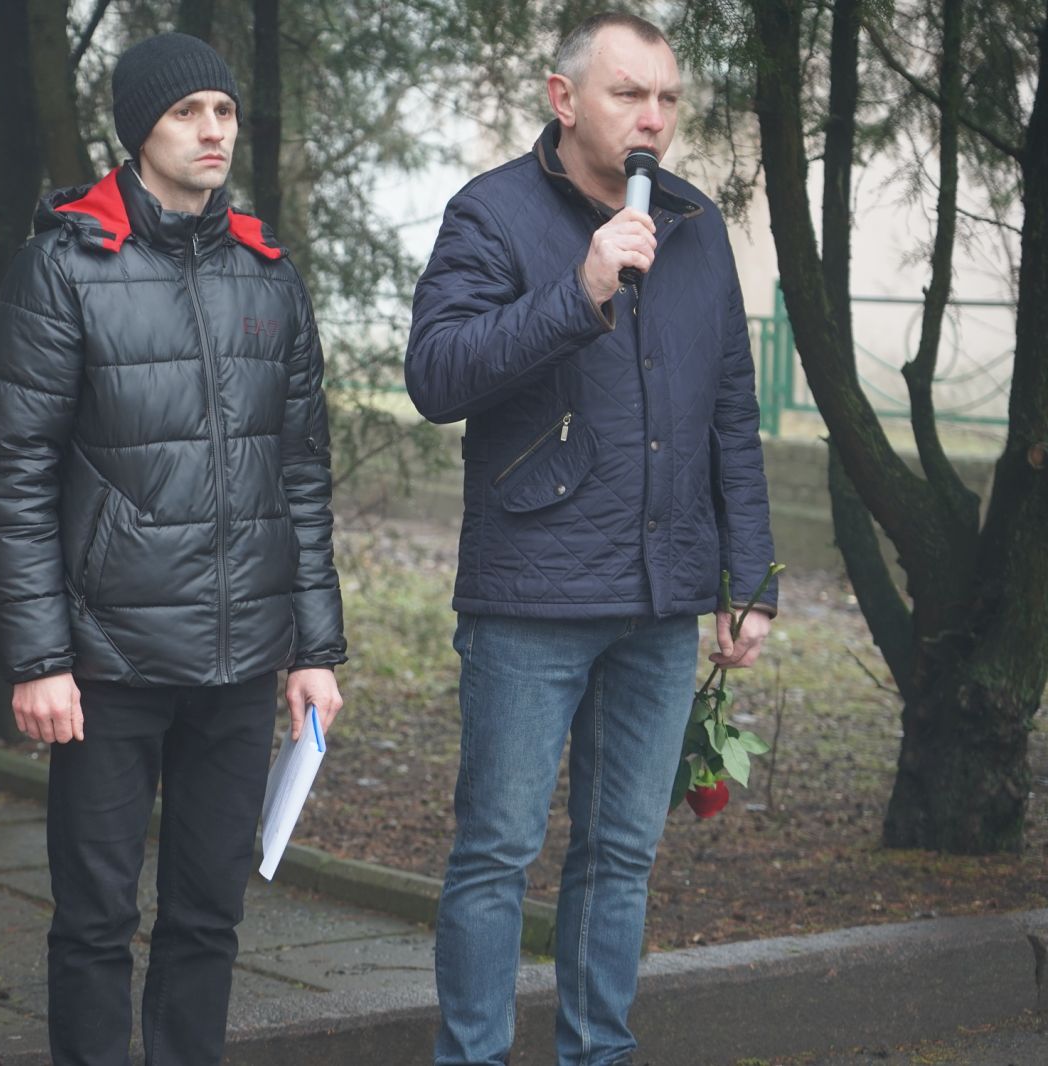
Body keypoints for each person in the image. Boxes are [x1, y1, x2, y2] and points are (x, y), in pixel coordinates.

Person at [405, 14, 778, 1066]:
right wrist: (580, 289)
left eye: (667, 98)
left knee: (622, 854)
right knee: (496, 854)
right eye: (629, 94)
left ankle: (596, 1054)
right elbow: (436, 375)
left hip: (660, 600)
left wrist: (747, 578)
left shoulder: (695, 225)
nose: (653, 117)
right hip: (531, 596)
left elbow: (730, 413)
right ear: (563, 99)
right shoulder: (491, 213)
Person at [0, 32, 346, 1066]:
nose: (212, 130)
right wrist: (39, 658)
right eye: (187, 112)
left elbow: (302, 473)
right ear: (139, 129)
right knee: (95, 920)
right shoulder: (65, 266)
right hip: (108, 662)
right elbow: (12, 474)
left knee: (208, 915)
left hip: (242, 662)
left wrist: (314, 648)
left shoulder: (269, 274)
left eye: (223, 111)